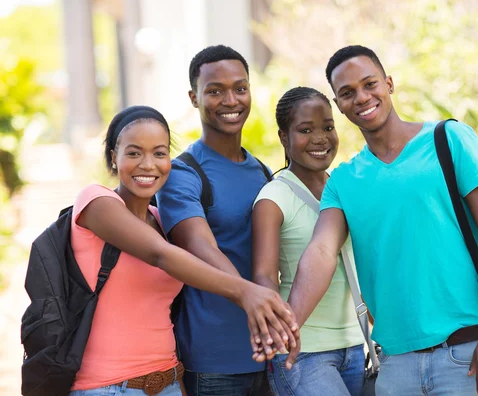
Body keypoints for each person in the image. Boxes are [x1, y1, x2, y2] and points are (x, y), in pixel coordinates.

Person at [282, 46, 478, 396]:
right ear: (339, 104)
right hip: (395, 369)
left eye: (369, 84)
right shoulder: (344, 181)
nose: (361, 97)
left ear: (389, 83)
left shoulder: (448, 140)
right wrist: (290, 326)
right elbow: (321, 252)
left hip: (468, 357)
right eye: (347, 93)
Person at [69, 105, 295, 396]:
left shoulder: (163, 221)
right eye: (134, 153)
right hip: (107, 387)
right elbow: (160, 255)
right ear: (114, 157)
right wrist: (246, 292)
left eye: (159, 153)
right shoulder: (95, 202)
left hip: (169, 382)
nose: (148, 164)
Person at [157, 45, 296, 396]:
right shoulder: (183, 172)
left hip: (271, 357)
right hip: (213, 361)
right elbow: (199, 246)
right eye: (215, 91)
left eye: (240, 88)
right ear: (194, 97)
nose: (231, 100)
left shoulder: (263, 171)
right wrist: (252, 298)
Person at [252, 87, 365, 396]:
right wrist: (279, 329)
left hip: (357, 346)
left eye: (328, 127)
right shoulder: (274, 197)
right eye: (306, 130)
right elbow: (264, 275)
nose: (320, 138)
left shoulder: (343, 188)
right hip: (303, 353)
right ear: (283, 137)